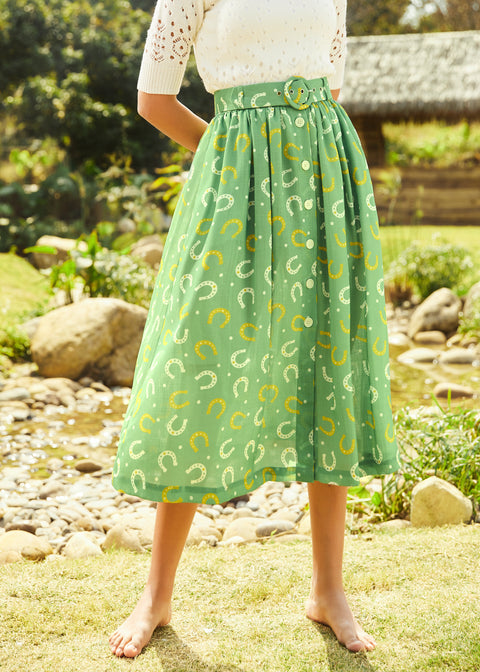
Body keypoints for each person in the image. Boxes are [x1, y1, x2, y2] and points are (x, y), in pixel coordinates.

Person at [109, 0, 400, 659]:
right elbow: (153, 100)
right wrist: (230, 153)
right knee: (197, 367)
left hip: (325, 182)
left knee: (329, 360)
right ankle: (156, 596)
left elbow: (328, 88)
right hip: (233, 187)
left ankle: (329, 591)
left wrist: (296, 157)